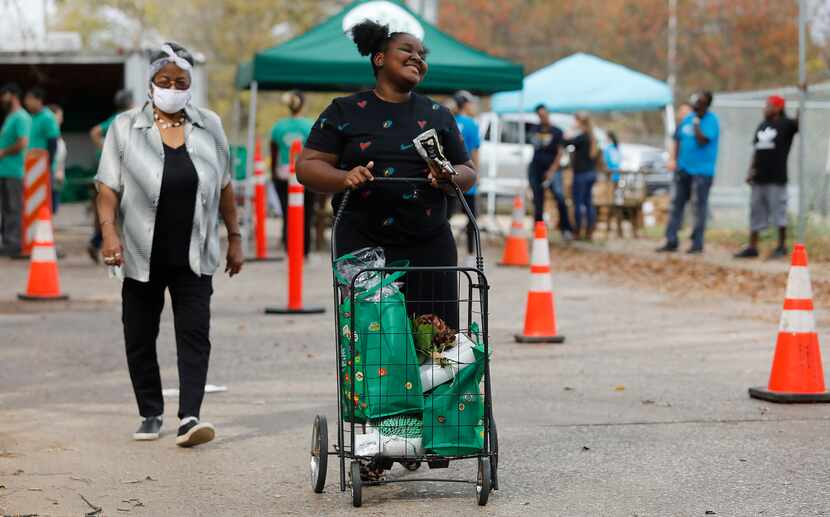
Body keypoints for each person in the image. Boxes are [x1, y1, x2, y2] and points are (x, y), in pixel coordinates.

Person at [95, 42, 243, 447]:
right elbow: (107, 186)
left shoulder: (209, 125)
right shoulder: (125, 126)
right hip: (141, 252)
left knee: (195, 333)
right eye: (165, 81)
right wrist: (109, 232)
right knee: (139, 335)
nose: (173, 88)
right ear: (151, 84)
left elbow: (226, 187)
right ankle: (150, 410)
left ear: (191, 86)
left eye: (181, 82)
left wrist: (235, 237)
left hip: (194, 253)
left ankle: (190, 416)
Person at [297, 19, 475, 331]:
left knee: (437, 341)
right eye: (407, 50)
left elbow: (468, 171)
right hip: (363, 246)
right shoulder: (344, 110)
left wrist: (448, 176)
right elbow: (307, 166)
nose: (417, 58)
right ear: (379, 58)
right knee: (374, 343)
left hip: (430, 243)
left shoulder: (438, 114)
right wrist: (344, 177)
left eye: (422, 54)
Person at [734, 95, 798, 259]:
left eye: (768, 105)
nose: (765, 108)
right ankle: (752, 246)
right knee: (756, 211)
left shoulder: (786, 124)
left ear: (778, 108)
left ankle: (781, 246)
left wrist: (802, 97)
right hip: (759, 177)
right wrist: (751, 171)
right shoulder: (762, 125)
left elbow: (798, 123)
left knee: (779, 212)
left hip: (776, 178)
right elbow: (756, 150)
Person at [657, 91, 720, 254]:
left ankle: (697, 243)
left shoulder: (711, 120)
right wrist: (674, 160)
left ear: (707, 104)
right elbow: (677, 139)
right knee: (676, 205)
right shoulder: (687, 119)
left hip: (702, 172)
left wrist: (698, 123)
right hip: (683, 170)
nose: (696, 103)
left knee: (699, 207)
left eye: (700, 101)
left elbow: (703, 140)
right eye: (695, 100)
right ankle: (671, 240)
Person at [88, 89, 134, 262]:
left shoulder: (114, 119)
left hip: (104, 174)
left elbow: (94, 133)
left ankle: (96, 242)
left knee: (107, 211)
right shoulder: (127, 119)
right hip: (121, 175)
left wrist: (104, 147)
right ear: (130, 103)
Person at [269, 90, 314, 256]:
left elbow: (273, 152)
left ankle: (290, 248)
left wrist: (273, 173)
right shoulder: (310, 126)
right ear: (303, 105)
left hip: (283, 175)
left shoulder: (279, 126)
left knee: (288, 213)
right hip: (306, 175)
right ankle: (305, 250)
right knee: (307, 214)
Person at [528, 104, 572, 239]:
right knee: (538, 199)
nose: (543, 117)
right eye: (540, 115)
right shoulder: (534, 129)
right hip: (536, 168)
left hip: (553, 169)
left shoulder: (557, 131)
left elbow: (560, 152)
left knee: (559, 197)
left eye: (545, 114)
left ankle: (566, 229)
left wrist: (552, 170)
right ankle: (538, 228)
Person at [449, 90, 481, 266]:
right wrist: (477, 173)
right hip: (467, 175)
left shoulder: (450, 120)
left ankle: (445, 250)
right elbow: (475, 151)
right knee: (471, 218)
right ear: (466, 104)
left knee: (446, 216)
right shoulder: (471, 124)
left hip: (449, 175)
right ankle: (470, 255)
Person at [0, 83, 31, 256]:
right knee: (5, 208)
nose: (1, 100)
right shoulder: (10, 117)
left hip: (14, 170)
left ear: (13, 96)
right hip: (4, 170)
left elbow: (23, 142)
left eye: (3, 95)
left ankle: (13, 242)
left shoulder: (21, 117)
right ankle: (6, 242)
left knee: (13, 207)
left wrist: (3, 152)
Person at [564, 112, 602, 241]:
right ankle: (590, 230)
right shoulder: (592, 137)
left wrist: (570, 131)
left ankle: (578, 230)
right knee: (588, 202)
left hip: (581, 174)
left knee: (578, 203)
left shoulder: (582, 137)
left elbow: (566, 142)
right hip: (591, 174)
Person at [24, 87, 61, 214]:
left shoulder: (47, 117)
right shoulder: (30, 117)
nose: (26, 102)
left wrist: (48, 165)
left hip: (42, 166)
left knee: (43, 201)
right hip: (29, 164)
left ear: (38, 100)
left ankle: (44, 227)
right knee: (31, 202)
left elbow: (53, 142)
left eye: (29, 99)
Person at [47, 104, 67, 214]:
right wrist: (55, 171)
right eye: (59, 116)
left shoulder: (57, 134)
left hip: (57, 179)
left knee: (53, 209)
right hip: (51, 176)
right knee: (50, 209)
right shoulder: (50, 134)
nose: (61, 119)